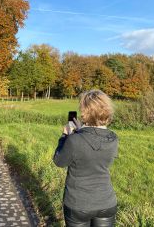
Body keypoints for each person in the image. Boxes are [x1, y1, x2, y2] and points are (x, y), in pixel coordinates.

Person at [53, 90, 118, 227]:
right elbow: (95, 139)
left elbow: (59, 161)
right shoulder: (113, 138)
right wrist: (80, 130)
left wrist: (65, 136)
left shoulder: (74, 140)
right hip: (106, 202)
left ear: (85, 112)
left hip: (78, 203)